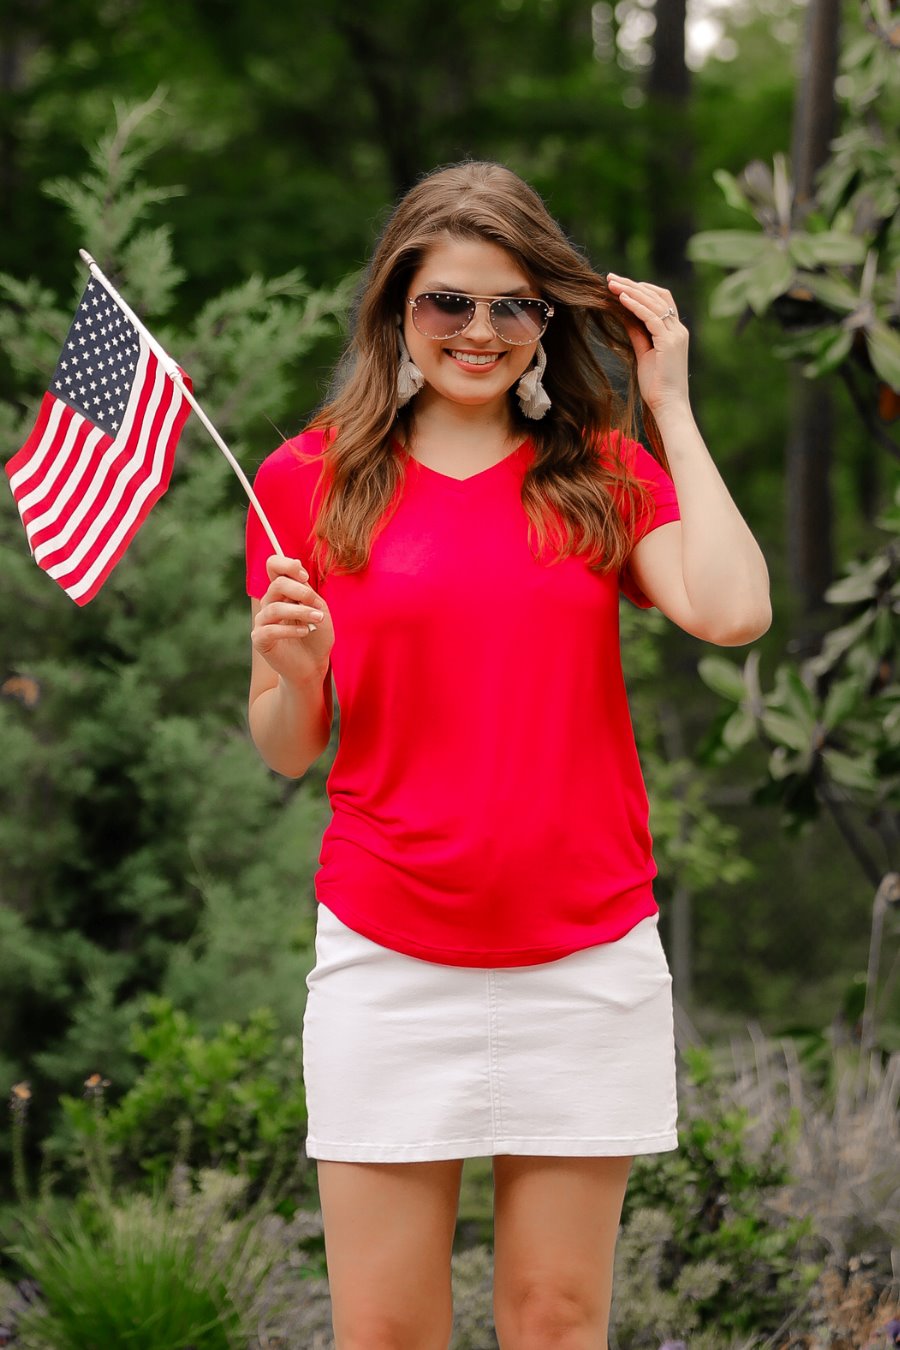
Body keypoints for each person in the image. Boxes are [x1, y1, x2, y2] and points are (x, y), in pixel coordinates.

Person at [244, 160, 771, 1350]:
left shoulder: (600, 475)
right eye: (448, 302)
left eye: (512, 305)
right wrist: (294, 667)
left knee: (557, 1317)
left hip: (584, 954)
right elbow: (286, 748)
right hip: (387, 953)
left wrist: (669, 405)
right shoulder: (303, 483)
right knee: (384, 1333)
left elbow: (735, 612)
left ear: (546, 321)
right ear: (396, 310)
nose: (478, 332)